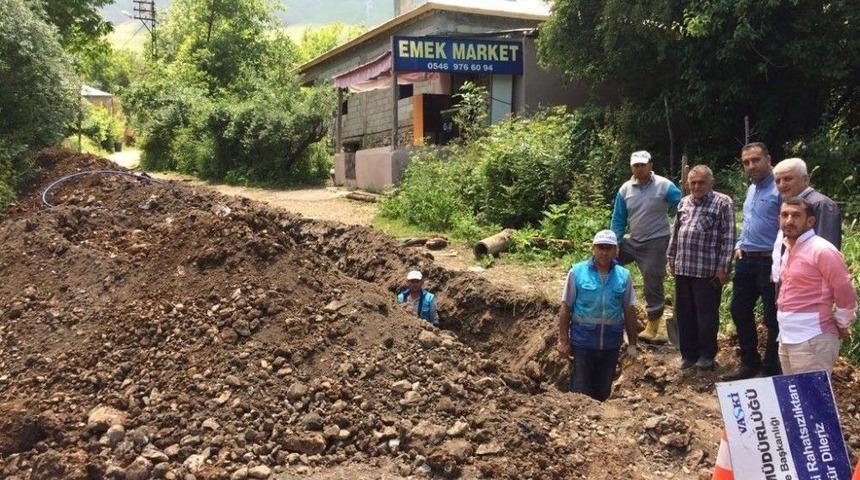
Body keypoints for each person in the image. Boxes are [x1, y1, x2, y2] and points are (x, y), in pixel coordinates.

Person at [775, 197, 856, 375]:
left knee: (813, 400)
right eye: (785, 215)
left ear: (810, 221)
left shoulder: (822, 250)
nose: (789, 220)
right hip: (787, 335)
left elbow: (845, 291)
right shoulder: (788, 249)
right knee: (796, 398)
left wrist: (842, 323)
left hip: (812, 338)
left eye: (796, 215)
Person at [557, 230, 639, 401]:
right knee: (580, 392)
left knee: (602, 392)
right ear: (593, 249)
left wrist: (632, 344)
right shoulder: (577, 272)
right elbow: (565, 308)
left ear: (616, 251)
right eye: (600, 248)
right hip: (583, 343)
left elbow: (629, 311)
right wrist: (563, 341)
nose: (604, 252)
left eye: (608, 248)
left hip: (611, 344)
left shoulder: (624, 276)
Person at [666, 165, 735, 371]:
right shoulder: (684, 203)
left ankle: (706, 355)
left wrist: (723, 267)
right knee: (684, 314)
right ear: (688, 183)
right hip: (683, 267)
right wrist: (671, 258)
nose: (696, 186)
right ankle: (688, 355)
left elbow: (728, 237)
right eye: (693, 182)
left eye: (701, 182)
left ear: (711, 183)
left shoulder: (722, 203)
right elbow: (676, 233)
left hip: (707, 271)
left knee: (706, 315)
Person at [723, 142, 782, 381]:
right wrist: (738, 244)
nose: (751, 166)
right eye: (746, 162)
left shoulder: (780, 189)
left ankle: (770, 368)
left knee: (772, 316)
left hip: (769, 262)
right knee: (739, 310)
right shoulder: (751, 190)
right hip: (746, 261)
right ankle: (750, 362)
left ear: (769, 158)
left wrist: (780, 261)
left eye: (756, 160)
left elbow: (788, 228)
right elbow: (748, 222)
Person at [610, 150, 682, 343]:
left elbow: (683, 206)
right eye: (636, 165)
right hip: (633, 239)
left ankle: (653, 326)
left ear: (650, 165)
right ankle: (608, 304)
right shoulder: (625, 189)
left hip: (656, 240)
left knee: (652, 277)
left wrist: (678, 229)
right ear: (631, 167)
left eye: (643, 165)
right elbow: (618, 219)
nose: (639, 168)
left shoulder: (664, 185)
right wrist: (615, 243)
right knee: (606, 260)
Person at [770, 157, 842, 282]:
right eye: (777, 181)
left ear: (805, 180)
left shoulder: (821, 204)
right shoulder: (789, 205)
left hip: (810, 285)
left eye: (787, 179)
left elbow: (827, 252)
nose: (781, 184)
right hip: (790, 281)